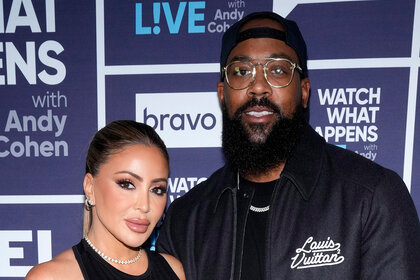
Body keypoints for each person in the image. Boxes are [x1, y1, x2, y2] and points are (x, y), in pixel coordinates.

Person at [156, 11, 420, 280]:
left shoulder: (371, 196)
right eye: (241, 71)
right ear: (223, 94)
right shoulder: (186, 219)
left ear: (304, 91)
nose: (258, 87)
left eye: (278, 70)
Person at [26, 120, 185, 280]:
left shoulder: (174, 271)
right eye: (127, 184)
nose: (144, 205)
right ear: (90, 187)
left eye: (157, 189)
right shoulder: (52, 277)